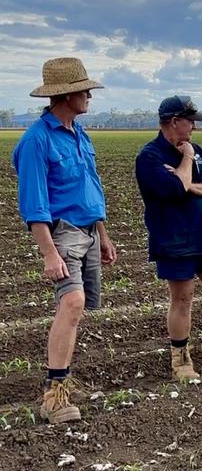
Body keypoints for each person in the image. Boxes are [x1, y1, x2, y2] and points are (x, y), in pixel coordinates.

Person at [12, 57, 117, 425]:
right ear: (66, 94)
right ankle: (54, 396)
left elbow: (93, 188)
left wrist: (102, 235)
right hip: (62, 233)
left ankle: (65, 378)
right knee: (71, 303)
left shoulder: (79, 134)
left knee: (77, 308)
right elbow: (34, 204)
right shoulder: (36, 140)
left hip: (87, 231)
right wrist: (49, 254)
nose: (89, 94)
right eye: (84, 89)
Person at [135, 96, 202, 382]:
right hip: (174, 239)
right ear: (173, 122)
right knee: (182, 298)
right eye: (189, 120)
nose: (194, 126)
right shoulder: (150, 157)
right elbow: (174, 189)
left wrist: (191, 184)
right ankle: (180, 360)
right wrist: (186, 159)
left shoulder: (199, 151)